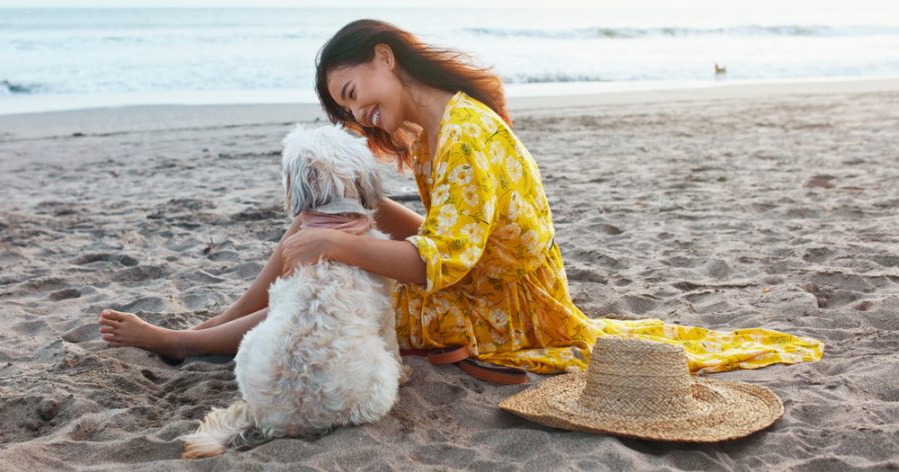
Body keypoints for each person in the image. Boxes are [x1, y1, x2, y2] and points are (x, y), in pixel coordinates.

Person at [99, 19, 822, 374]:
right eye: (345, 114)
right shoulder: (437, 127)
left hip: (508, 314)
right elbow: (449, 240)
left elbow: (440, 261)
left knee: (327, 264)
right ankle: (206, 331)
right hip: (486, 287)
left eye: (354, 95)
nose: (358, 118)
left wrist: (340, 242)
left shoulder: (467, 134)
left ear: (385, 57)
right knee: (314, 240)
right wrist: (371, 210)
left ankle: (189, 343)